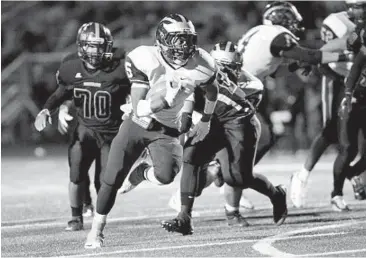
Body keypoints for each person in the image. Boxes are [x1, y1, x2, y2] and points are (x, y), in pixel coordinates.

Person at [84, 14, 219, 249]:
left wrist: (205, 120)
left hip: (167, 130)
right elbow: (140, 107)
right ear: (162, 39)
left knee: (166, 176)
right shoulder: (144, 57)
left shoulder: (203, 63)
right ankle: (96, 231)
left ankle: (141, 174)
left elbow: (212, 91)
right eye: (177, 40)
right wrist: (165, 100)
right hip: (138, 122)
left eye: (187, 40)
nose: (184, 46)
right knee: (111, 178)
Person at [234, 1, 354, 206]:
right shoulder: (277, 35)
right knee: (261, 138)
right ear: (280, 18)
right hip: (239, 92)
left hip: (240, 88)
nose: (296, 25)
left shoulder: (259, 32)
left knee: (258, 139)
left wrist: (299, 63)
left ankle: (231, 180)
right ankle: (223, 179)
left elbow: (275, 69)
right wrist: (347, 55)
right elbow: (312, 55)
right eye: (291, 20)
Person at [161, 41, 288, 235]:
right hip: (212, 121)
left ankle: (276, 194)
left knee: (237, 178)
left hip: (239, 122)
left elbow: (238, 107)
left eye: (230, 67)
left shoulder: (251, 83)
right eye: (222, 66)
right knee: (191, 156)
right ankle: (185, 217)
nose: (225, 71)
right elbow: (188, 99)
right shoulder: (190, 69)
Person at [34, 22, 131, 231]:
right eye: (90, 45)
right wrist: (48, 109)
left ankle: (98, 217)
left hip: (111, 134)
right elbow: (62, 93)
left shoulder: (121, 68)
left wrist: (135, 103)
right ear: (81, 46)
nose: (94, 51)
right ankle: (76, 217)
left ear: (107, 46)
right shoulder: (71, 67)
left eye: (99, 46)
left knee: (105, 181)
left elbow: (139, 88)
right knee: (76, 174)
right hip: (85, 130)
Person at [332, 20, 366, 211]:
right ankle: (336, 194)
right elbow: (353, 72)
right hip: (354, 99)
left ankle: (352, 174)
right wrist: (347, 96)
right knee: (348, 149)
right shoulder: (360, 50)